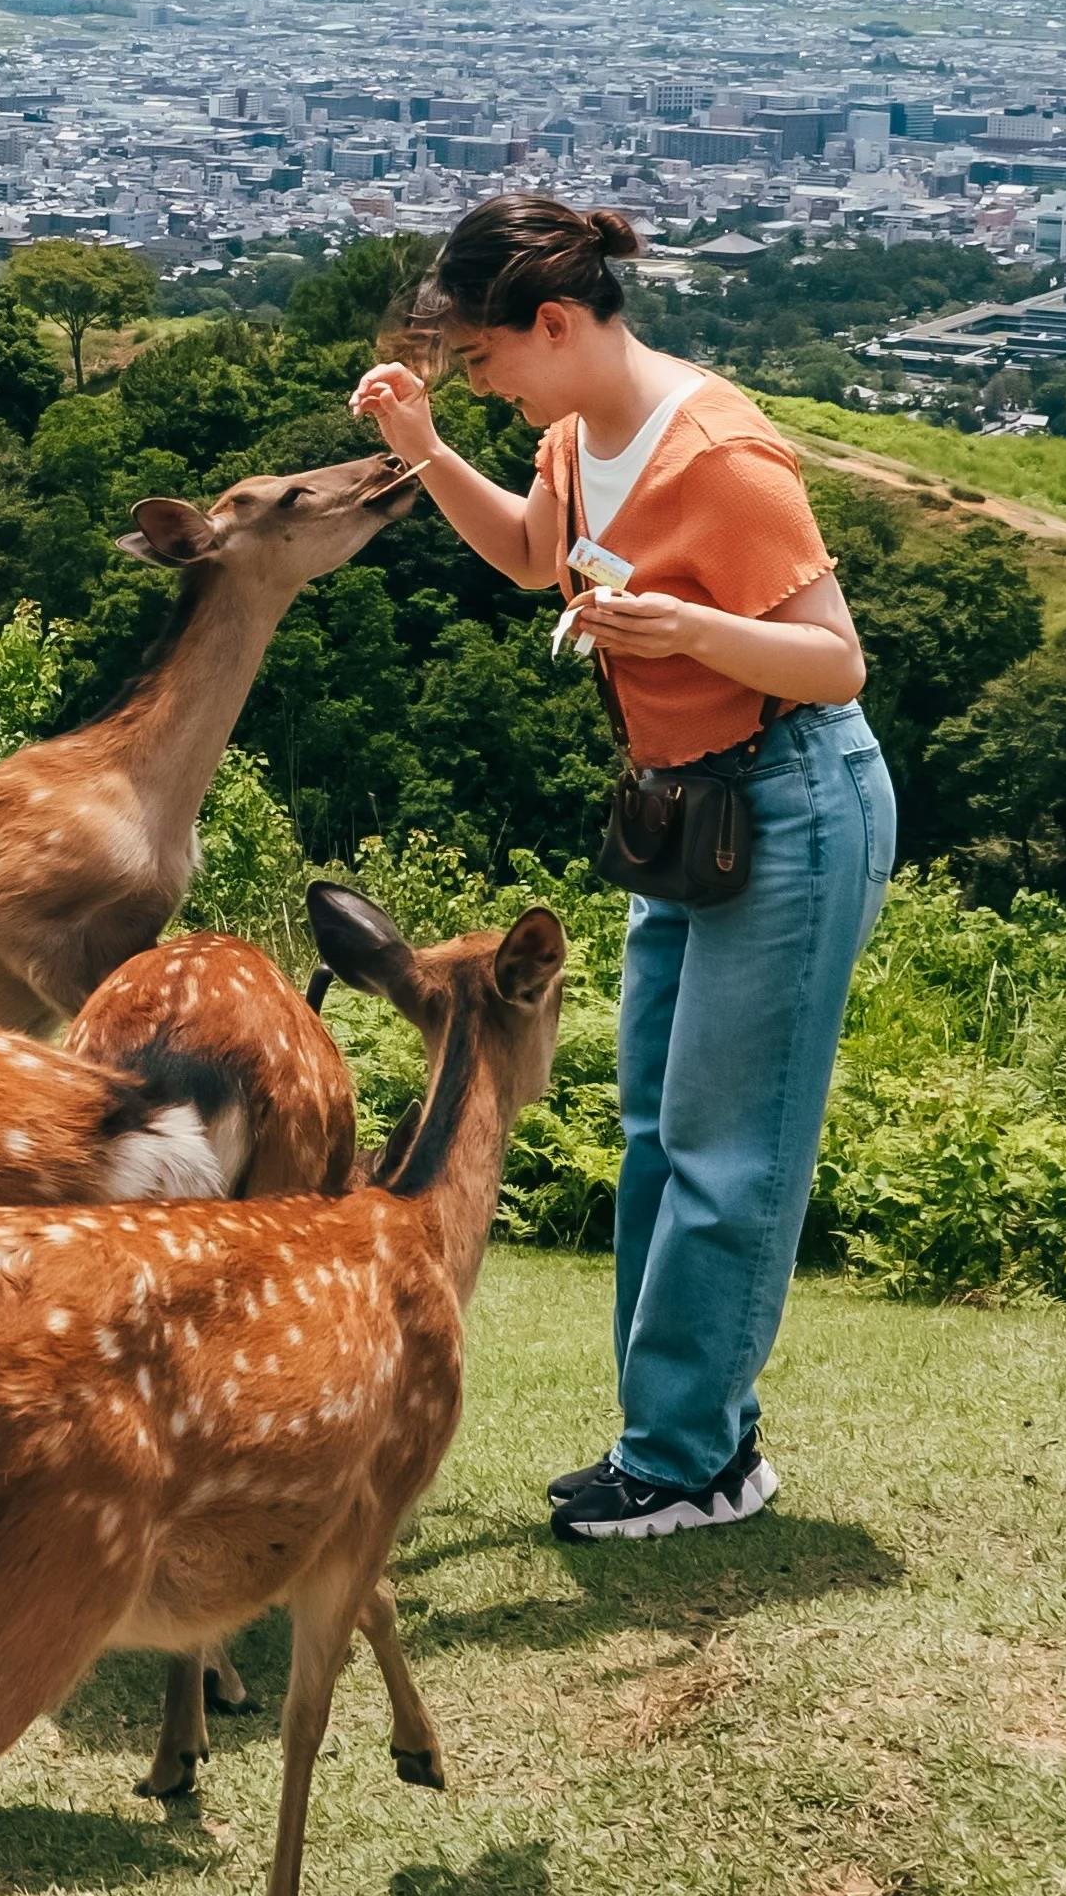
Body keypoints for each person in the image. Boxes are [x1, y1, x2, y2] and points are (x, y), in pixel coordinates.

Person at [349, 196, 892, 1544]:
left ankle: (687, 1461)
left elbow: (835, 663)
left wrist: (685, 630)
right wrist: (422, 455)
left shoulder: (718, 455)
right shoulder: (575, 435)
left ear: (553, 321)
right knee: (657, 1129)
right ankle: (690, 1439)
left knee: (727, 1148)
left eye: (478, 362)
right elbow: (538, 558)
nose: (476, 384)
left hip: (793, 800)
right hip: (684, 809)